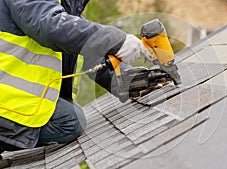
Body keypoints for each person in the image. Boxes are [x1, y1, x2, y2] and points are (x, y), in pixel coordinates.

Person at [0, 0, 151, 153]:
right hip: (5, 105)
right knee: (69, 121)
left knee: (71, 116)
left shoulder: (62, 6)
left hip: (10, 101)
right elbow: (51, 27)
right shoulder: (46, 12)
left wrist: (127, 80)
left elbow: (86, 48)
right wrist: (115, 40)